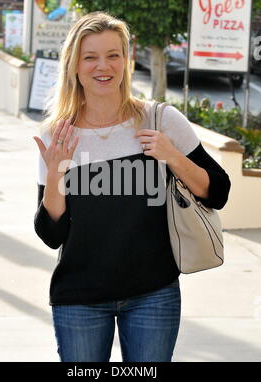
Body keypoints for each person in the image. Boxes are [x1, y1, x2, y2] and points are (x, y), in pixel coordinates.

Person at [33, 11, 231, 362]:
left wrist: (172, 156)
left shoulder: (161, 120)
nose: (102, 66)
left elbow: (218, 191)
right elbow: (52, 235)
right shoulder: (58, 135)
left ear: (126, 60)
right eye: (90, 57)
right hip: (79, 297)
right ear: (74, 66)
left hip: (153, 294)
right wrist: (54, 178)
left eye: (113, 55)